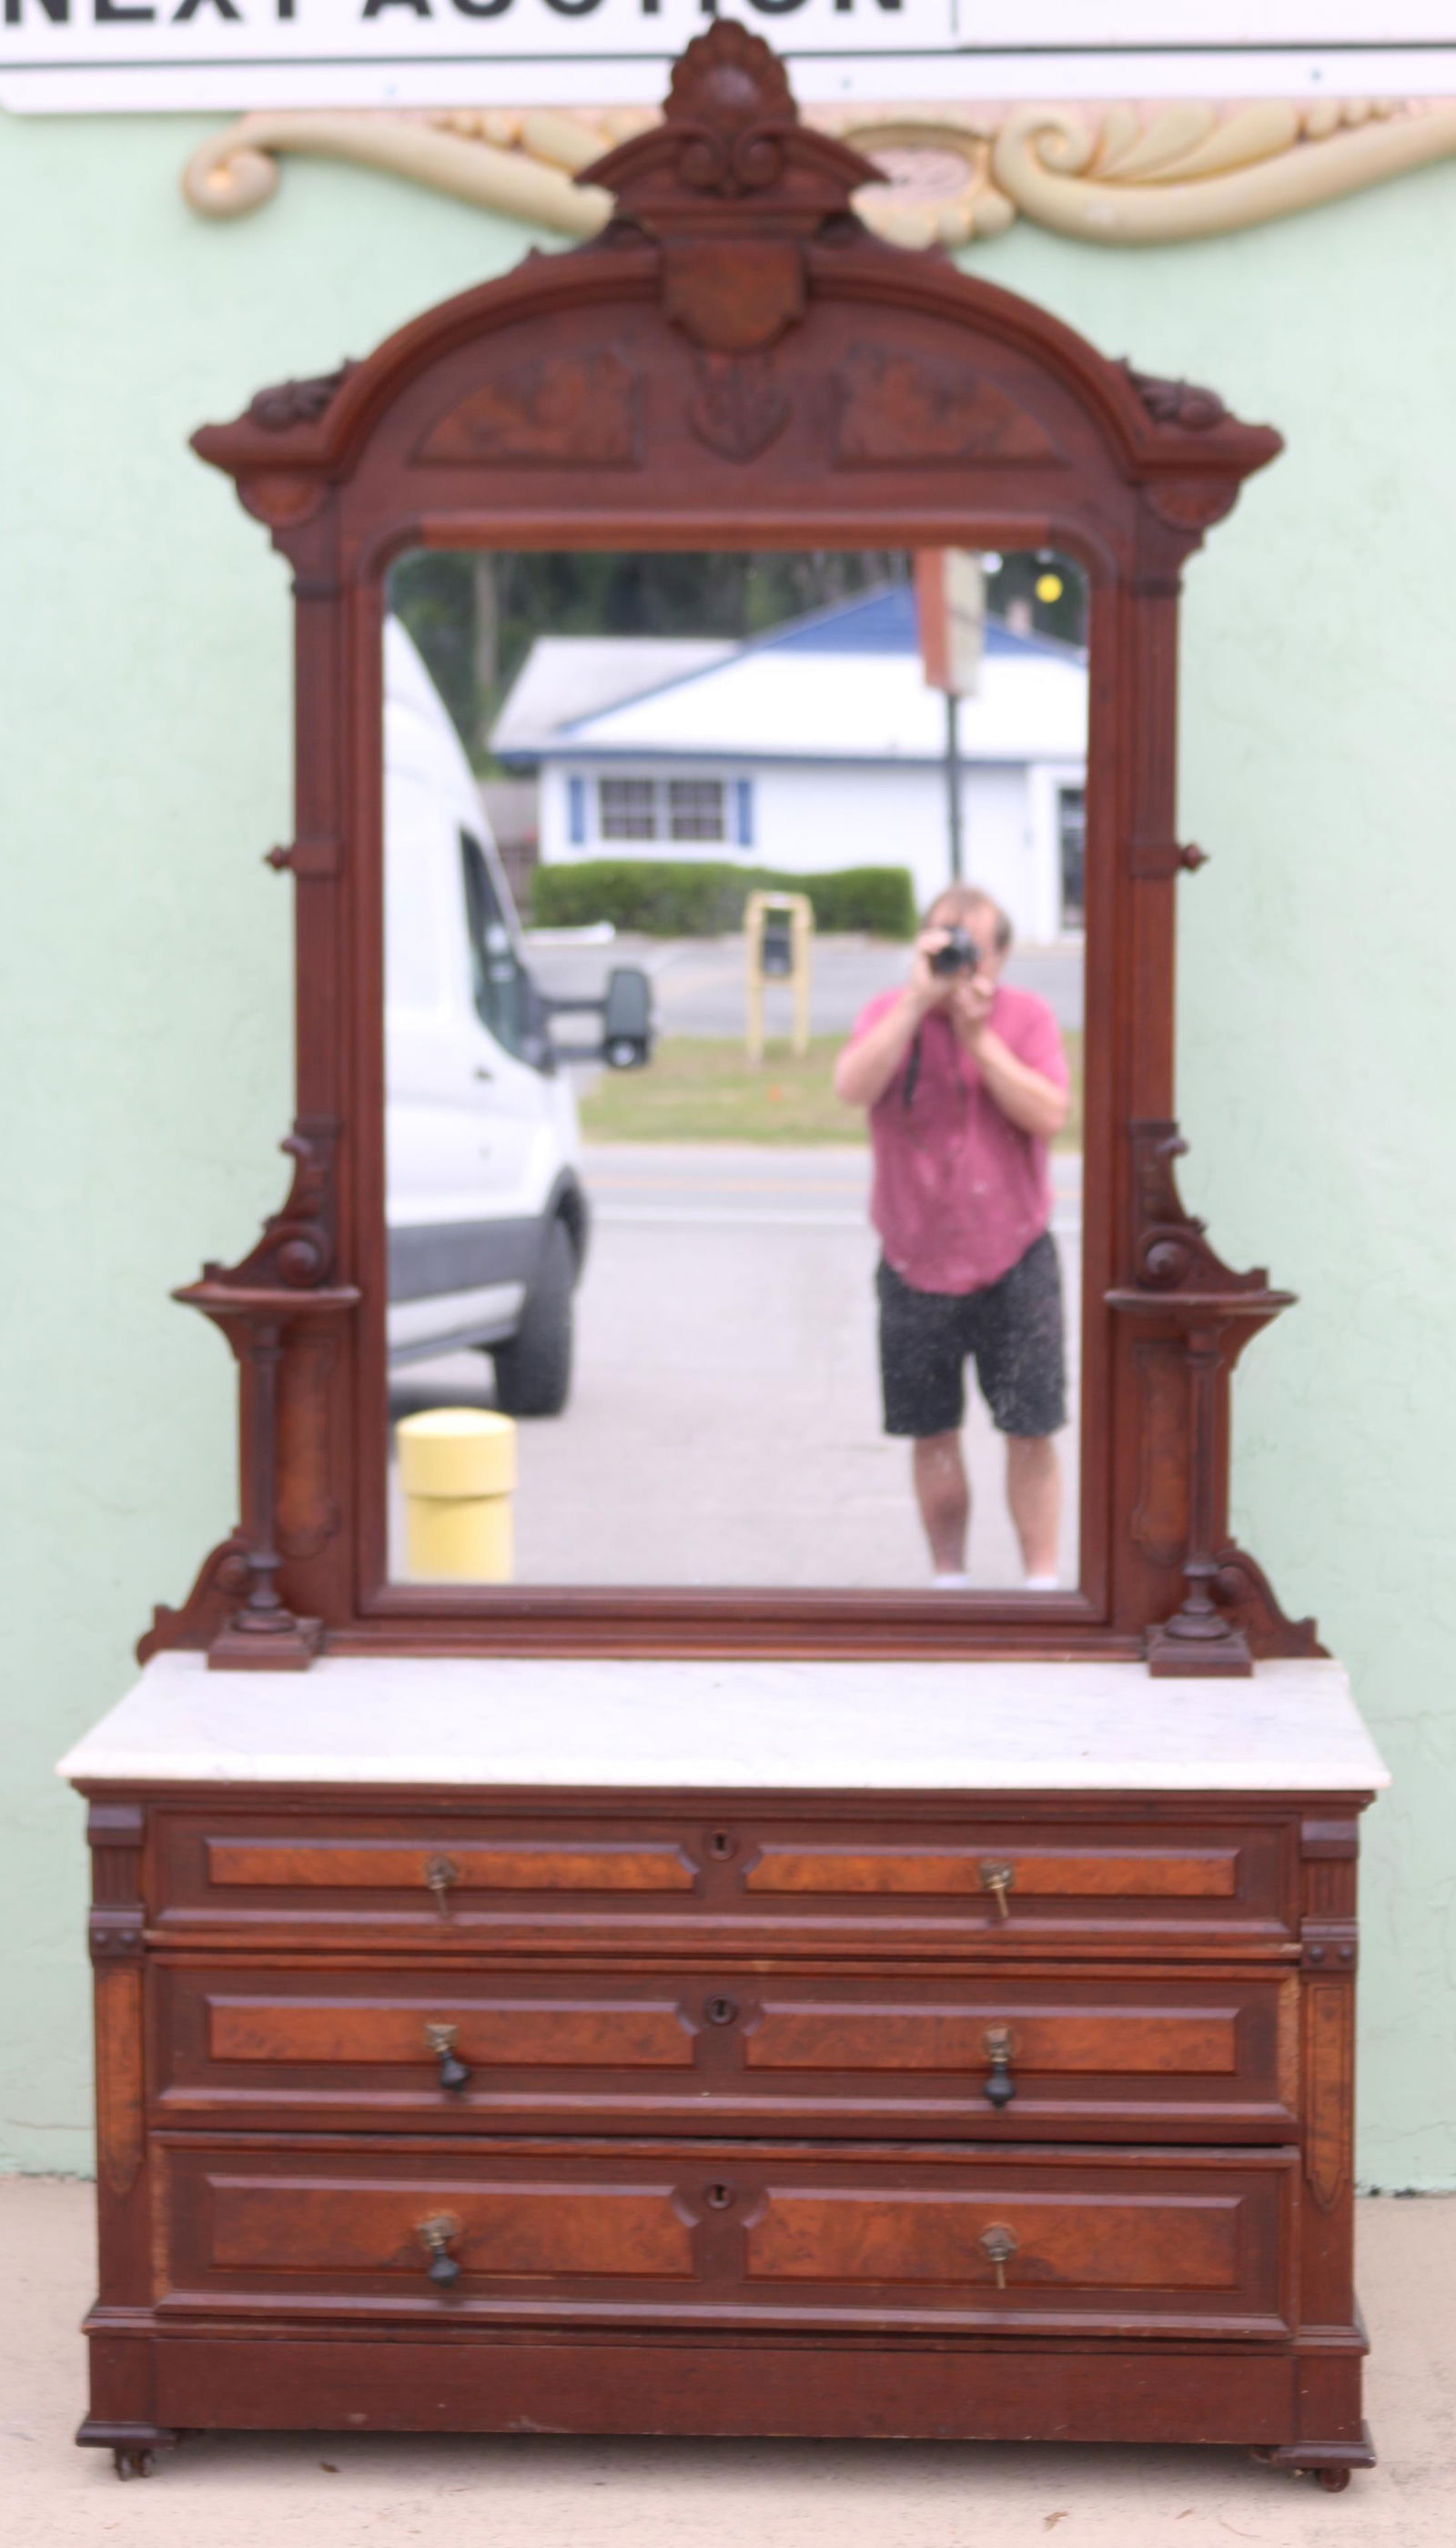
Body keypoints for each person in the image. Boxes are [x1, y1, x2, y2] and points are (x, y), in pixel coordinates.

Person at [834, 885, 1070, 1589]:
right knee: (930, 1429)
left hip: (1015, 1255)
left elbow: (1049, 1113)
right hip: (913, 1260)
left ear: (1000, 955)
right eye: (941, 942)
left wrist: (977, 1037)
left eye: (970, 948)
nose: (956, 960)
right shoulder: (888, 1014)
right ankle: (949, 1582)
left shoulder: (1027, 1017)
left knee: (1031, 1426)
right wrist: (915, 1003)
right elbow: (851, 1087)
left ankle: (1041, 1584)